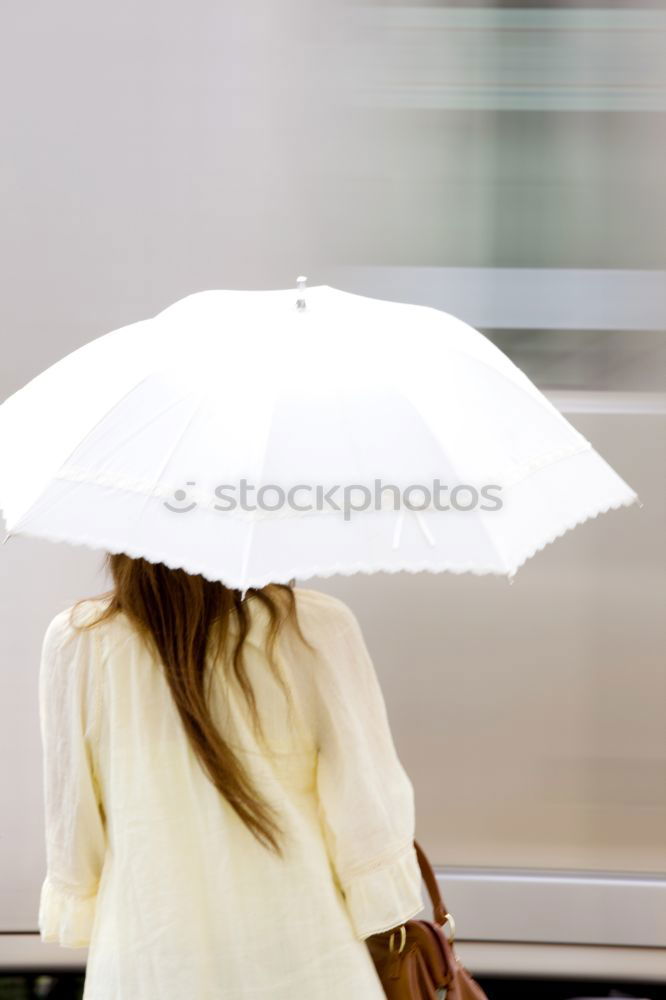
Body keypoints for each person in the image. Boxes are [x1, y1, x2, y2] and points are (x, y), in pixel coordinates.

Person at [37, 553, 425, 998]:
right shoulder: (314, 628)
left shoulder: (79, 641)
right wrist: (378, 899)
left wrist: (81, 904)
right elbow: (370, 820)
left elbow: (74, 835)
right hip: (307, 959)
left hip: (150, 962)